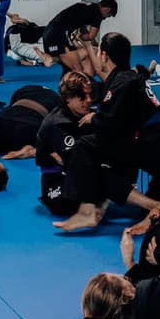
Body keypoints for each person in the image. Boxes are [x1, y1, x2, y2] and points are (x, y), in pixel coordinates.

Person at [53, 33, 160, 232]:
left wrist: (94, 118)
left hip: (157, 149)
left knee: (85, 147)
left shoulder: (122, 82)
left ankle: (87, 210)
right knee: (144, 206)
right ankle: (157, 207)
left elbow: (109, 126)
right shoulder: (130, 78)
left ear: (104, 55)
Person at [35, 71, 94, 217]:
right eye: (82, 97)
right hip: (56, 178)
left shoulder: (89, 115)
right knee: (63, 205)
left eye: (89, 95)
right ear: (68, 98)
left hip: (78, 171)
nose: (88, 100)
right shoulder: (56, 123)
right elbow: (74, 161)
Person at [42, 0, 118, 75]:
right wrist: (79, 37)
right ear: (107, 9)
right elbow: (90, 36)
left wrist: (94, 44)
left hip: (48, 31)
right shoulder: (98, 13)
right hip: (59, 33)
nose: (105, 18)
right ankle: (53, 59)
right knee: (78, 71)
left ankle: (53, 59)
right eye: (108, 15)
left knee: (70, 64)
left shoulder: (89, 6)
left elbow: (84, 31)